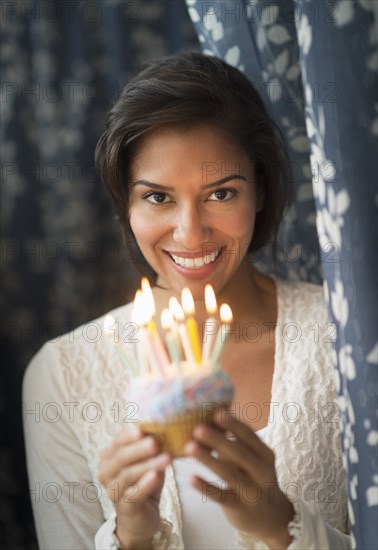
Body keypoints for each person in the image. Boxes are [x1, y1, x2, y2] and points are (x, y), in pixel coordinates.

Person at [23, 52, 351, 549]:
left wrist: (281, 526)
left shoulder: (344, 338)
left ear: (260, 191)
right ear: (125, 203)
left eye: (221, 194)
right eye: (158, 197)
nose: (190, 233)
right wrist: (131, 534)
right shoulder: (62, 374)